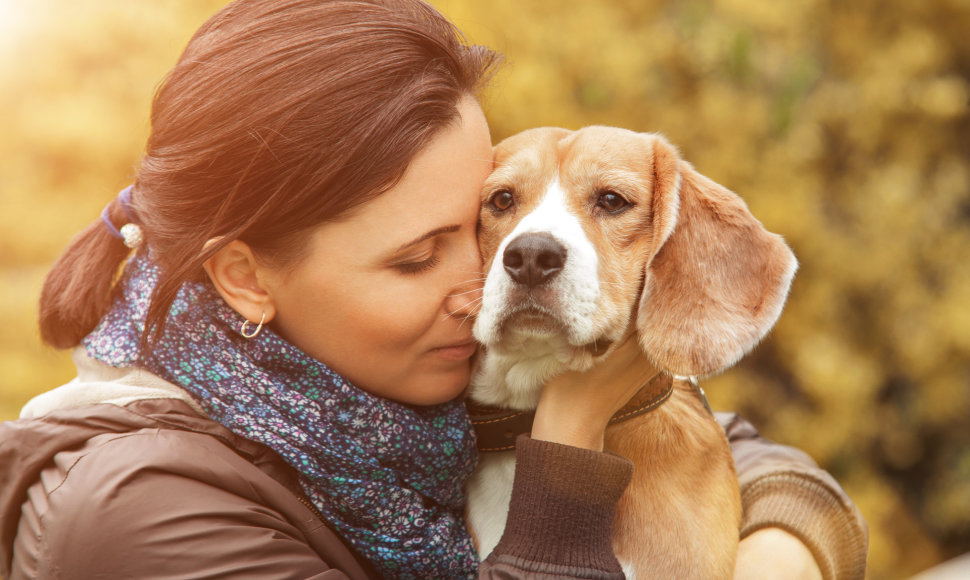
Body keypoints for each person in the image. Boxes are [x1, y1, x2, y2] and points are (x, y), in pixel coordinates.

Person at [0, 1, 867, 578]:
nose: (482, 284)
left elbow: (734, 447)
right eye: (418, 259)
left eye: (477, 228)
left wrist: (777, 550)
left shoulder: (386, 395)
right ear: (244, 278)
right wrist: (566, 439)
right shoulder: (137, 518)